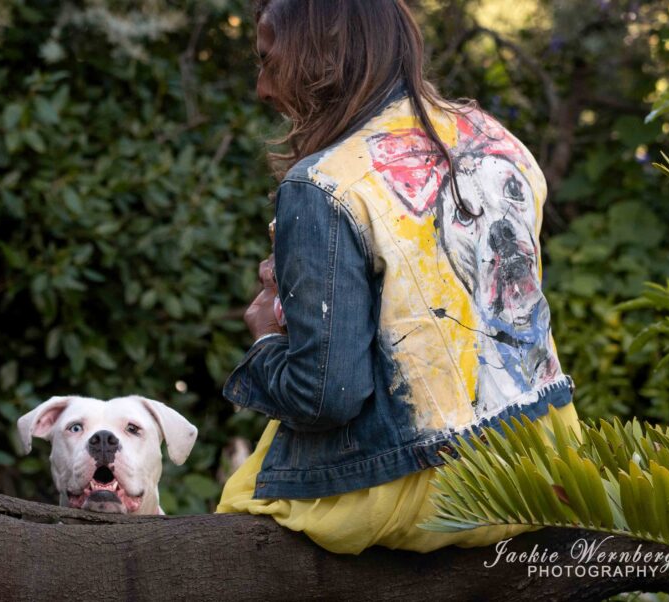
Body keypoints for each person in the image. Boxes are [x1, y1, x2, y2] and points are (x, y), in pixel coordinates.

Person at [215, 0, 580, 554]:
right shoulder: (495, 139)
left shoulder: (320, 185)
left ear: (322, 56)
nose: (263, 89)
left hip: (433, 486)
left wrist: (267, 338)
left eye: (270, 61)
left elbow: (326, 397)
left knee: (239, 505)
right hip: (545, 462)